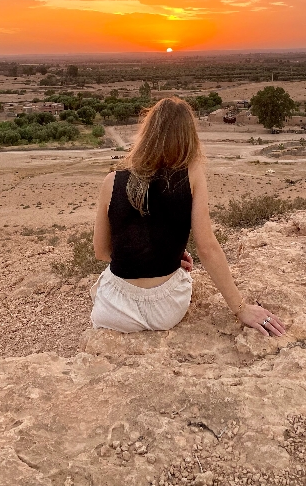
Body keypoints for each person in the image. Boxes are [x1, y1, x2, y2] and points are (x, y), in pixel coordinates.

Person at [91, 96, 285, 337]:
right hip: (167, 309)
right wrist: (241, 308)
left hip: (114, 312)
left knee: (104, 282)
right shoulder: (191, 175)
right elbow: (206, 247)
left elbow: (101, 251)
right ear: (188, 136)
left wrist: (155, 256)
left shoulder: (111, 181)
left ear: (147, 132)